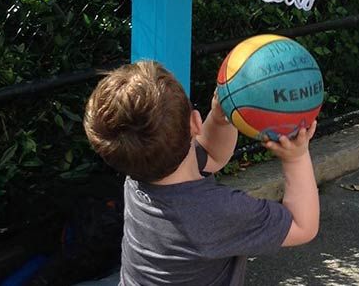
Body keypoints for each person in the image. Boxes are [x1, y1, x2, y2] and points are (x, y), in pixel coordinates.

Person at [82, 60, 319, 285]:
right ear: (196, 122)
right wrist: (296, 158)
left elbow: (212, 157)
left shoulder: (137, 172)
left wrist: (220, 119)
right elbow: (302, 225)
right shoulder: (216, 212)